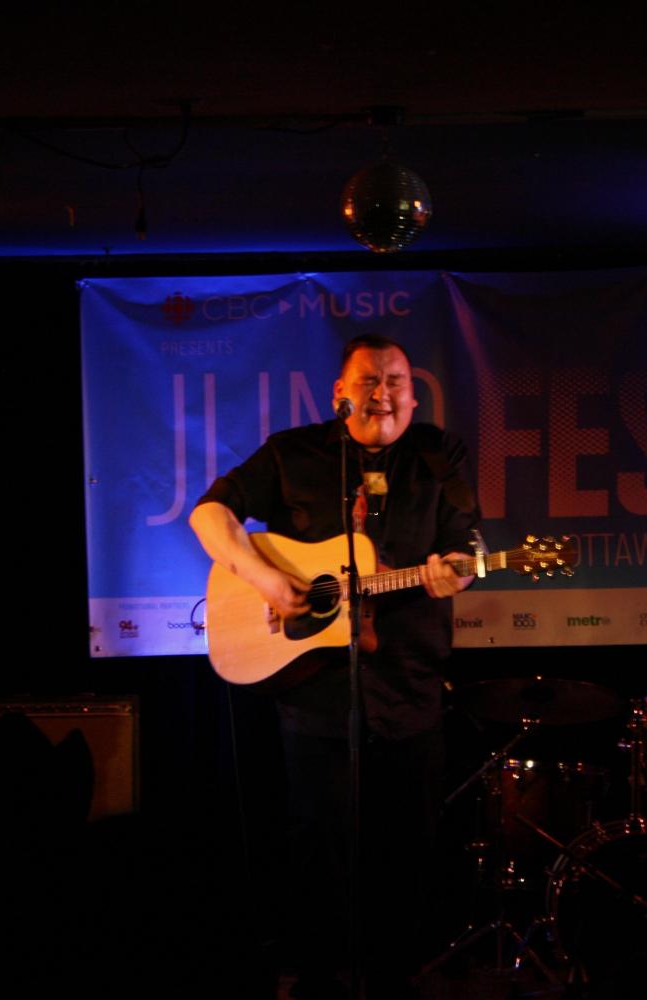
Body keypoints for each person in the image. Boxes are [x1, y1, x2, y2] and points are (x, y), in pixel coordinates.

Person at [190, 334, 482, 999]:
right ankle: (317, 979)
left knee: (407, 846)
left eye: (397, 381)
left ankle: (392, 978)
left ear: (414, 394)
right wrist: (266, 579)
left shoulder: (440, 455)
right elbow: (210, 514)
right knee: (318, 844)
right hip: (315, 691)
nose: (384, 394)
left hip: (409, 684)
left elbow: (465, 545)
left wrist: (457, 572)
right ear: (340, 393)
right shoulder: (293, 453)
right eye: (369, 381)